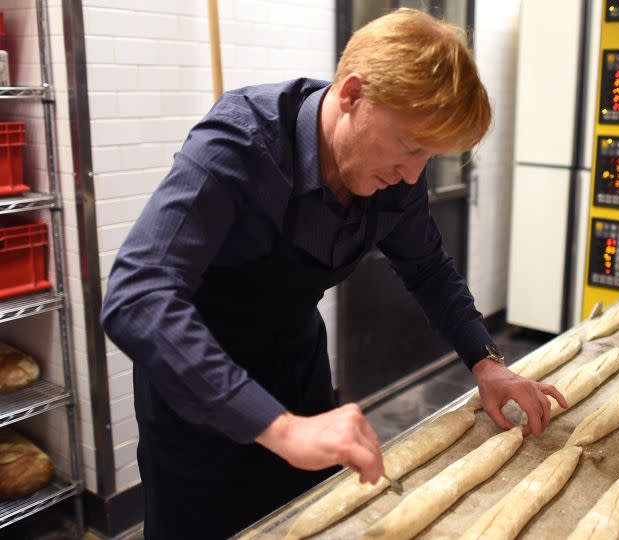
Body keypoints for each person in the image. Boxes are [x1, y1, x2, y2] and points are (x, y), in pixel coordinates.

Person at [100, 8, 567, 539]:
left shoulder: (395, 176)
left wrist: (487, 363)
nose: (413, 175)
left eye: (430, 158)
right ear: (351, 95)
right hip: (200, 393)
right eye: (411, 148)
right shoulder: (239, 144)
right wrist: (275, 427)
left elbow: (428, 267)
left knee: (310, 523)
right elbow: (137, 297)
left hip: (298, 376)